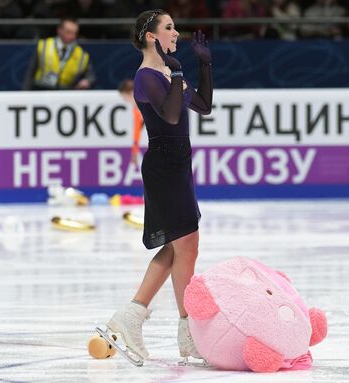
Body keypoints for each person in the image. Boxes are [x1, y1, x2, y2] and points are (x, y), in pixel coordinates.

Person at [104, 9, 213, 364]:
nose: (176, 32)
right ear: (151, 36)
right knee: (187, 244)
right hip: (164, 166)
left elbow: (204, 106)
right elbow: (170, 116)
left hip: (179, 164)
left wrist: (204, 66)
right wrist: (179, 73)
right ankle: (184, 332)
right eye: (169, 28)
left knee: (179, 247)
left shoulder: (168, 72)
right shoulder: (146, 77)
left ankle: (134, 318)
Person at [23, 17, 96, 90]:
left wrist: (87, 81)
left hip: (66, 94)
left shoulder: (82, 55)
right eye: (68, 32)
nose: (72, 36)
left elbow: (91, 76)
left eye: (74, 33)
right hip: (41, 91)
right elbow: (30, 73)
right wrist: (25, 93)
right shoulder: (44, 46)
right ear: (59, 30)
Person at [118, 79, 145, 165]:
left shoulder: (146, 106)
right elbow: (137, 132)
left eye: (124, 97)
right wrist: (135, 151)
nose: (125, 100)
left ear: (131, 93)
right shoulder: (136, 110)